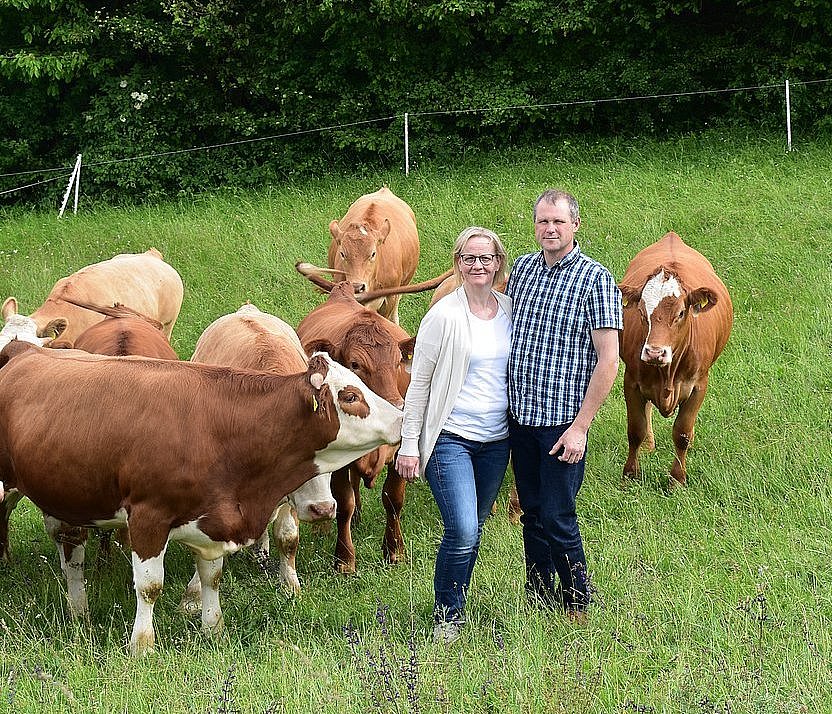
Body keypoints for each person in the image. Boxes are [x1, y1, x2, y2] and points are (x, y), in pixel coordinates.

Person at [506, 189, 622, 622]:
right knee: (531, 513)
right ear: (535, 226)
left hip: (562, 424)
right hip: (520, 419)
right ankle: (539, 594)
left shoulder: (596, 279)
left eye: (558, 221)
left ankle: (577, 599)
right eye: (542, 222)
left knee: (556, 515)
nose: (550, 229)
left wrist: (581, 427)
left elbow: (609, 360)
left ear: (576, 224)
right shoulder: (522, 270)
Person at [395, 226, 512, 645]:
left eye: (486, 258)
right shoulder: (442, 315)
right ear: (457, 263)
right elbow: (419, 383)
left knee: (475, 527)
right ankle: (447, 615)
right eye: (468, 258)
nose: (477, 265)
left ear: (498, 263)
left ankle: (456, 598)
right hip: (451, 438)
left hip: (497, 442)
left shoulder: (510, 310)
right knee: (462, 528)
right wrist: (410, 445)